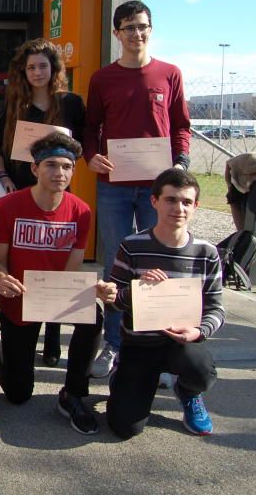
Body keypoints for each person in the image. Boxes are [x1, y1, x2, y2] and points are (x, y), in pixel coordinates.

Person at [83, 1, 191, 379]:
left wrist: (180, 164)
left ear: (151, 29)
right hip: (113, 187)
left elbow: (181, 126)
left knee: (157, 264)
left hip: (155, 189)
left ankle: (157, 347)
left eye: (142, 26)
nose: (136, 33)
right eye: (128, 27)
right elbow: (90, 127)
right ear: (117, 34)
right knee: (117, 263)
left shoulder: (169, 73)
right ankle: (113, 344)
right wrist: (91, 156)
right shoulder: (102, 79)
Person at [0, 132, 116, 435]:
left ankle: (73, 393)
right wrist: (2, 280)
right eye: (52, 165)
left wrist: (83, 292)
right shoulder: (7, 207)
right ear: (35, 169)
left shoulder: (81, 211)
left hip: (53, 294)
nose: (60, 173)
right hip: (19, 299)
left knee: (92, 314)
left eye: (68, 167)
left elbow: (74, 264)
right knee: (18, 395)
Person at [0, 39, 85, 367]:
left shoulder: (71, 103)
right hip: (21, 195)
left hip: (56, 196)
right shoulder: (15, 106)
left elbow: (84, 145)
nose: (37, 72)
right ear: (23, 72)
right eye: (31, 67)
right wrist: (2, 177)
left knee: (55, 265)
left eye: (43, 65)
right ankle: (21, 328)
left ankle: (53, 331)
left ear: (53, 68)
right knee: (24, 262)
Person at [106, 169, 223, 439]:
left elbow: (216, 308)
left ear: (196, 206)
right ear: (154, 201)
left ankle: (189, 392)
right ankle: (125, 378)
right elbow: (113, 303)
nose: (178, 208)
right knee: (125, 427)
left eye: (186, 202)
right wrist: (136, 291)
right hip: (139, 344)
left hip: (182, 343)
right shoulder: (132, 246)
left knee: (201, 371)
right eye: (170, 200)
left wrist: (199, 331)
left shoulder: (206, 253)